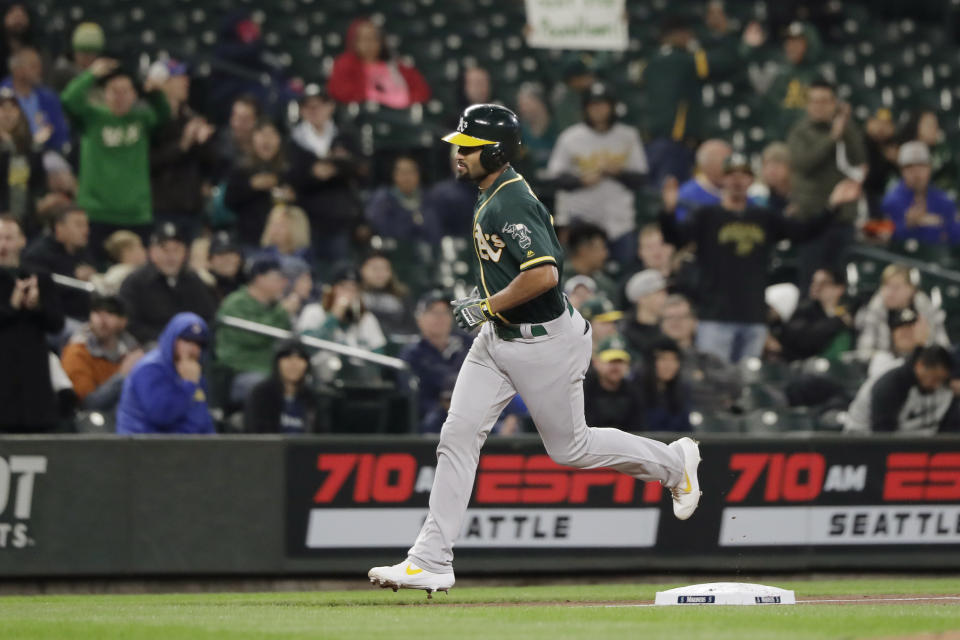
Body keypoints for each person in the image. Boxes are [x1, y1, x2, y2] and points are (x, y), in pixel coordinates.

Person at [367, 104, 701, 596]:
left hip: (543, 342)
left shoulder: (510, 200)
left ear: (495, 151)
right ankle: (431, 560)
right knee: (457, 436)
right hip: (499, 339)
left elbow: (545, 274)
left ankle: (673, 463)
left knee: (571, 449)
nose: (458, 154)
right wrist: (491, 312)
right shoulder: (492, 192)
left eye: (469, 147)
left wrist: (486, 305)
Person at [660, 152, 862, 364]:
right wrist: (668, 211)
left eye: (743, 175)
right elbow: (675, 238)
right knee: (715, 381)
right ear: (723, 180)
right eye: (731, 175)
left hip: (753, 317)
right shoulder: (707, 216)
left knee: (748, 384)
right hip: (715, 316)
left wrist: (832, 206)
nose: (737, 180)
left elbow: (803, 232)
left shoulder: (763, 217)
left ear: (751, 180)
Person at [61, 58, 170, 260]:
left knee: (136, 276)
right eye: (114, 91)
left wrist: (155, 93)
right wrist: (91, 74)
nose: (120, 97)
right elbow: (69, 100)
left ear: (134, 94)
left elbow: (164, 115)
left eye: (125, 91)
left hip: (136, 214)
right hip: (96, 213)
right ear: (104, 94)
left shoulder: (142, 119)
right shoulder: (92, 118)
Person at [547, 83, 647, 263]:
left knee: (623, 270)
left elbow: (640, 178)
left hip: (620, 222)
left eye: (603, 104)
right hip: (581, 221)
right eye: (593, 105)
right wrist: (580, 181)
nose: (598, 110)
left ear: (612, 107)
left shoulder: (628, 136)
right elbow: (555, 178)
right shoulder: (570, 137)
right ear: (585, 109)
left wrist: (617, 173)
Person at [786, 79, 866, 290]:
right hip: (812, 220)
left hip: (842, 219)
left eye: (825, 101)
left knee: (840, 284)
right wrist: (832, 138)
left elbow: (859, 160)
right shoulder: (800, 132)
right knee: (810, 284)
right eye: (814, 101)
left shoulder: (845, 129)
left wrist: (845, 126)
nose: (819, 106)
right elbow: (805, 164)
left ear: (835, 104)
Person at [0, 216, 65, 433]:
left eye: (9, 238)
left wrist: (37, 306)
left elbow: (57, 324)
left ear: (22, 241)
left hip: (33, 374)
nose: (3, 245)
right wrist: (12, 305)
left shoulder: (39, 277)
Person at [287, 86, 363, 263]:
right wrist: (313, 174)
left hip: (338, 219)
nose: (314, 111)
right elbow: (288, 178)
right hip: (305, 221)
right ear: (301, 110)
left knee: (340, 273)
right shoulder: (292, 141)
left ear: (330, 107)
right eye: (308, 106)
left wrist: (338, 167)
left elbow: (362, 171)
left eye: (319, 105)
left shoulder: (345, 137)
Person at [149, 59, 216, 243]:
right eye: (177, 77)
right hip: (161, 208)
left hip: (192, 209)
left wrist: (203, 142)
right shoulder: (149, 119)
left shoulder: (191, 117)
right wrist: (183, 145)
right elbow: (148, 162)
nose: (186, 81)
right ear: (161, 83)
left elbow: (211, 164)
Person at [116, 312, 215, 434]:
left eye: (198, 344)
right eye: (187, 340)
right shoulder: (150, 368)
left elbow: (202, 418)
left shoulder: (193, 371)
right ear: (172, 338)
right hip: (144, 446)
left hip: (184, 446)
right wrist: (188, 384)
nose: (193, 348)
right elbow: (162, 416)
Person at [119, 222, 218, 344]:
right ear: (152, 252)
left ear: (185, 253)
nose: (171, 257)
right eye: (165, 250)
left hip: (191, 345)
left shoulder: (194, 281)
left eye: (176, 250)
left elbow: (209, 318)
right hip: (148, 346)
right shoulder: (135, 282)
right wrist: (168, 340)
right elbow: (129, 323)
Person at [215, 257, 296, 401]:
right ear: (259, 278)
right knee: (267, 388)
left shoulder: (275, 307)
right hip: (239, 372)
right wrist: (282, 313)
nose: (284, 283)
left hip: (271, 372)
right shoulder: (236, 303)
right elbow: (253, 337)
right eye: (278, 278)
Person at [297, 265, 387, 383]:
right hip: (319, 380)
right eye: (343, 287)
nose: (348, 294)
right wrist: (333, 317)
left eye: (354, 289)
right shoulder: (313, 312)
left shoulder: (367, 319)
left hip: (358, 383)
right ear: (332, 289)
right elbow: (305, 349)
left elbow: (378, 359)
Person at [844, 345, 959, 435]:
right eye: (934, 378)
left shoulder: (947, 385)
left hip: (913, 446)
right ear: (920, 365)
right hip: (863, 441)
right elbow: (881, 434)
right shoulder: (891, 383)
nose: (936, 385)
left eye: (941, 380)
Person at [400, 290, 473, 430]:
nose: (440, 318)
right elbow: (412, 399)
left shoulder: (467, 344)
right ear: (419, 318)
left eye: (445, 312)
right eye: (433, 312)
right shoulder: (412, 353)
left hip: (474, 411)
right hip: (433, 419)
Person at [660, 294, 742, 413]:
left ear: (695, 322)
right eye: (670, 317)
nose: (676, 322)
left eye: (682, 317)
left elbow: (736, 386)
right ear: (661, 323)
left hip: (706, 421)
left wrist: (706, 375)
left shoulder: (707, 359)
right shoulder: (651, 357)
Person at [60, 294, 142, 410]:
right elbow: (87, 405)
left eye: (110, 313)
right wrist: (121, 376)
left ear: (123, 321)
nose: (102, 320)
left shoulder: (133, 350)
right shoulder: (77, 352)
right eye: (97, 312)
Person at [327, 18, 431, 108]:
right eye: (364, 38)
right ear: (354, 41)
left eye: (373, 38)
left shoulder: (396, 65)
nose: (369, 43)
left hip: (401, 116)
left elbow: (422, 92)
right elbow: (339, 92)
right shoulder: (345, 63)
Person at [855, 263, 949, 360]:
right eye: (885, 285)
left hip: (921, 363)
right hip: (886, 366)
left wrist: (925, 342)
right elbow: (864, 351)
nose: (889, 293)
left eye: (896, 287)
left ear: (911, 289)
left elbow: (943, 348)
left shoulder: (924, 306)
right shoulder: (875, 308)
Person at [224, 119, 293, 248]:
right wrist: (251, 187)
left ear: (279, 140)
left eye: (272, 134)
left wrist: (291, 196)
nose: (267, 140)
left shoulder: (288, 170)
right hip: (248, 239)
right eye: (261, 134)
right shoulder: (241, 168)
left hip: (282, 243)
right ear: (253, 138)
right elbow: (228, 202)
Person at [22, 204, 94, 322]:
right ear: (59, 227)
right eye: (79, 225)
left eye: (86, 225)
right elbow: (43, 291)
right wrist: (75, 278)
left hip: (85, 317)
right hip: (55, 321)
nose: (86, 230)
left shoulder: (82, 252)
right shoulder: (37, 255)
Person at [769, 266, 853, 362]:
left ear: (839, 289)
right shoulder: (804, 310)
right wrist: (837, 321)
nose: (816, 287)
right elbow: (803, 341)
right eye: (814, 282)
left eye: (823, 283)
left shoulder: (846, 312)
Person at [881, 141, 959, 246]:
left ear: (929, 168)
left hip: (938, 259)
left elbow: (954, 236)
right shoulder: (891, 201)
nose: (916, 173)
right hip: (902, 259)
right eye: (909, 167)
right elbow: (882, 240)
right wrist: (908, 225)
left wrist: (944, 226)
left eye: (921, 166)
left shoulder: (943, 200)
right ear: (901, 170)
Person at [0, 86, 53, 234]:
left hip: (26, 217)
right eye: (2, 108)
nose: (7, 114)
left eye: (12, 108)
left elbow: (39, 182)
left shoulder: (29, 146)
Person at [243, 338, 321, 434]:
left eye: (300, 358)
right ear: (277, 362)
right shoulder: (260, 394)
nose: (294, 364)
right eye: (288, 357)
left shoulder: (312, 399)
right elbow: (256, 435)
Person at [1, 46, 71, 153]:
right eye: (33, 66)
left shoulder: (49, 98)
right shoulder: (2, 95)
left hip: (44, 154)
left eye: (39, 66)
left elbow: (60, 135)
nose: (39, 70)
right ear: (17, 70)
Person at [365, 155, 438, 245]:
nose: (407, 177)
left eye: (411, 172)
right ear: (394, 175)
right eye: (403, 172)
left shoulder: (429, 199)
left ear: (418, 175)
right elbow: (383, 231)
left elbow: (435, 232)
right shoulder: (383, 200)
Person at [583, 335, 643, 431]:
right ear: (596, 363)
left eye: (620, 361)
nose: (615, 367)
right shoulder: (584, 391)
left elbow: (639, 429)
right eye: (610, 361)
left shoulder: (634, 392)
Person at [638, 337, 691, 432]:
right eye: (663, 359)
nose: (669, 365)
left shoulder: (682, 391)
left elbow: (686, 429)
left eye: (674, 359)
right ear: (651, 362)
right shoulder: (635, 390)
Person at [673, 139, 732, 222]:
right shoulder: (686, 195)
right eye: (724, 161)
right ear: (705, 165)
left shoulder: (739, 191)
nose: (730, 167)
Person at [359, 251, 414, 336]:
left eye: (385, 269)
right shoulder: (354, 294)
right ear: (362, 270)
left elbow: (410, 327)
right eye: (375, 268)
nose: (380, 273)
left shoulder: (402, 295)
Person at [561, 222, 617, 303]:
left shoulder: (606, 285)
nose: (605, 254)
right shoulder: (556, 280)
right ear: (583, 249)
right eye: (602, 248)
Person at [622, 269, 668, 360]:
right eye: (659, 293)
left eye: (665, 293)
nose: (665, 298)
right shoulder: (624, 331)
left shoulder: (667, 328)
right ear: (642, 298)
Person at [213, 94, 259, 181]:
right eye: (235, 117)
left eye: (245, 119)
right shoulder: (219, 145)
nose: (237, 124)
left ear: (256, 122)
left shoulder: (264, 146)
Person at [50, 21, 104, 91]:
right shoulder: (63, 74)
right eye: (83, 53)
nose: (87, 58)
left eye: (91, 53)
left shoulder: (103, 76)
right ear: (75, 53)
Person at [92, 230, 146, 295]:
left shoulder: (135, 270)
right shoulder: (120, 272)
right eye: (140, 247)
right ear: (126, 251)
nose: (144, 251)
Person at [747, 142, 792, 216]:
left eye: (777, 164)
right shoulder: (757, 197)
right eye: (767, 164)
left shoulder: (799, 199)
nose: (771, 170)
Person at [206, 230, 245, 301]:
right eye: (221, 254)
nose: (227, 259)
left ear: (240, 258)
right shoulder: (204, 286)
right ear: (210, 261)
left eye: (231, 253)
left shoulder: (249, 282)